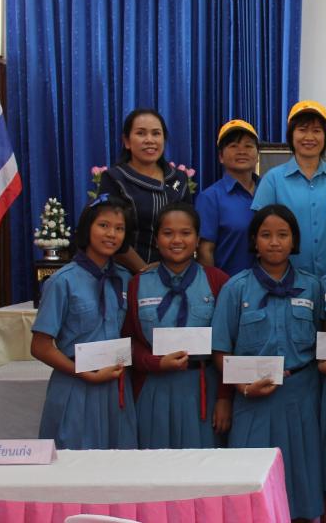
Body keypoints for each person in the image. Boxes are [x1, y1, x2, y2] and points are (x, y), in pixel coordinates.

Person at [212, 205, 324, 521]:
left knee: (300, 480)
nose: (274, 242)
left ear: (294, 240)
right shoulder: (236, 288)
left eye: (282, 235)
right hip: (252, 402)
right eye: (266, 235)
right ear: (254, 241)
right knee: (251, 483)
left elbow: (323, 340)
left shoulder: (312, 287)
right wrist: (241, 387)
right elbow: (220, 350)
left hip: (301, 397)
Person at [30, 194, 138, 449]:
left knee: (120, 462)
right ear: (87, 227)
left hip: (116, 387)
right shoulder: (62, 281)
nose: (111, 234)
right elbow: (40, 346)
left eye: (119, 228)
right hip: (75, 385)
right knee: (76, 461)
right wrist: (84, 372)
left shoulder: (125, 279)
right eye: (103, 225)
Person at [122, 203, 231, 448]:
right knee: (156, 462)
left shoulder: (217, 281)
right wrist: (155, 362)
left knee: (204, 462)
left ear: (197, 239)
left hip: (203, 388)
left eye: (186, 233)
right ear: (156, 239)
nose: (177, 240)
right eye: (168, 233)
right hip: (153, 388)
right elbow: (129, 343)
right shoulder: (138, 283)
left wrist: (224, 397)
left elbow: (229, 345)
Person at [251, 101, 326, 277]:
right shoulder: (273, 179)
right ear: (291, 135)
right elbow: (260, 230)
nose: (309, 137)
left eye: (316, 131)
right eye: (302, 130)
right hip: (287, 280)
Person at [98, 108, 191, 272]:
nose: (150, 140)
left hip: (175, 272)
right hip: (126, 274)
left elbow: (188, 228)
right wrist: (145, 272)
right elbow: (110, 233)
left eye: (156, 134)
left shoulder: (179, 179)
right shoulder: (115, 179)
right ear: (126, 141)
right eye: (141, 133)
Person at [196, 119, 260, 276]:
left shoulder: (270, 190)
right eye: (233, 146)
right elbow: (205, 251)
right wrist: (214, 286)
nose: (242, 151)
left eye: (248, 146)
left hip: (270, 287)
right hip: (227, 286)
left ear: (257, 155)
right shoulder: (210, 198)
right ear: (221, 157)